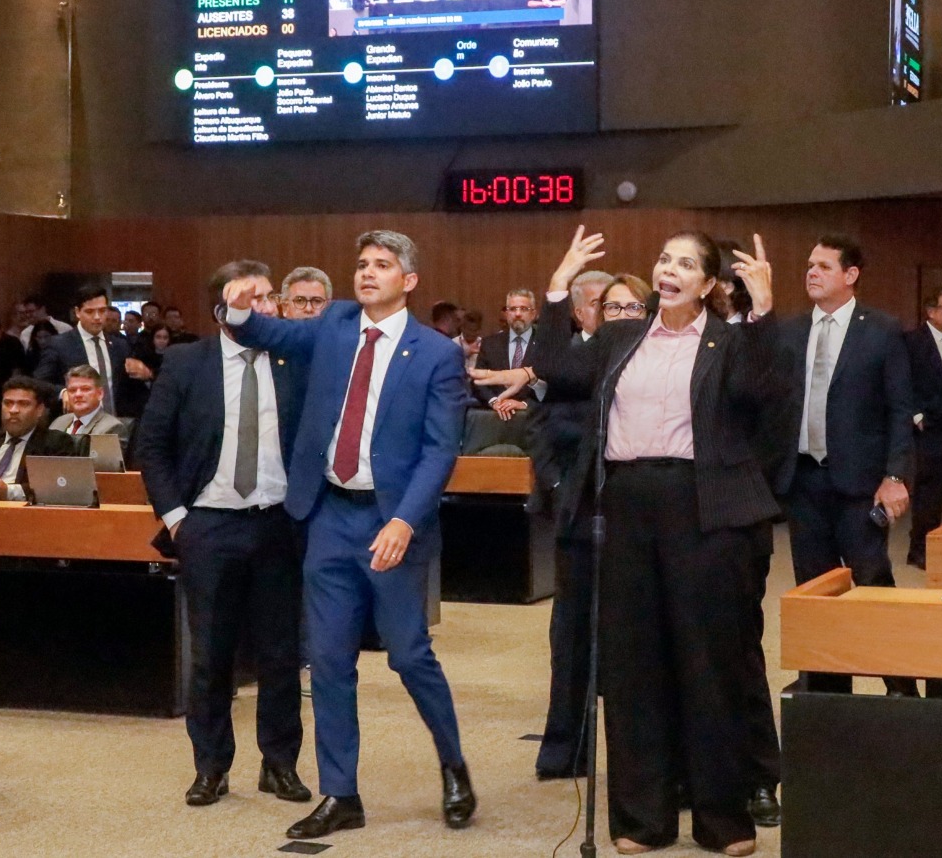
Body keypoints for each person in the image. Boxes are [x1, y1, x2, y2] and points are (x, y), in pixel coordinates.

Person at [474, 226, 786, 857]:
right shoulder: (622, 337)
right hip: (626, 502)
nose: (670, 271)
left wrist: (762, 311)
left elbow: (760, 394)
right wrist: (558, 289)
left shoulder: (729, 339)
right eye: (665, 260)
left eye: (686, 264)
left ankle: (722, 819)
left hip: (704, 506)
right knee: (634, 665)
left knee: (708, 663)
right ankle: (643, 818)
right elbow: (557, 370)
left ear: (708, 283)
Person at [222, 230, 474, 840]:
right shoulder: (334, 323)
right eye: (362, 264)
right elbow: (269, 333)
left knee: (408, 654)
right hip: (330, 515)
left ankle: (453, 765)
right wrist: (238, 310)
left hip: (392, 520)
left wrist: (404, 521)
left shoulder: (436, 352)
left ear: (408, 281)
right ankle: (342, 794)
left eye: (382, 265)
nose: (367, 273)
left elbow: (440, 450)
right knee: (330, 662)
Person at [136, 260, 312, 811]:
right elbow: (152, 445)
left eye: (269, 296)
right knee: (211, 653)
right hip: (209, 525)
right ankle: (211, 767)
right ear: (223, 309)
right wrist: (177, 519)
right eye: (252, 298)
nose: (267, 307)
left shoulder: (293, 360)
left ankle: (279, 763)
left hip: (278, 523)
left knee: (281, 652)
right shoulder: (186, 362)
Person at [773, 236, 914, 702]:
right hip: (804, 481)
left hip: (860, 484)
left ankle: (900, 687)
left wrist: (895, 476)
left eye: (824, 266)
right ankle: (827, 694)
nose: (812, 273)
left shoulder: (882, 330)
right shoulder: (791, 331)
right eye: (809, 265)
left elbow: (900, 409)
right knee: (815, 593)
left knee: (873, 584)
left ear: (851, 275)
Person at [527, 269, 610, 782]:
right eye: (600, 303)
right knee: (570, 635)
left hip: (627, 511)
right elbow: (539, 430)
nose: (609, 312)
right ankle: (564, 750)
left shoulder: (634, 355)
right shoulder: (562, 362)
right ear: (578, 312)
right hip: (574, 510)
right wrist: (559, 488)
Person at [904, 289, 942, 568]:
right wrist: (916, 415)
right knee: (928, 489)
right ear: (931, 312)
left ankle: (929, 545)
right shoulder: (916, 341)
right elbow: (903, 380)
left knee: (940, 489)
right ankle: (920, 549)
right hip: (930, 424)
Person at [35, 284, 136, 415]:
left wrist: (146, 374)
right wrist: (63, 392)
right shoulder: (59, 344)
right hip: (75, 420)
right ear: (78, 312)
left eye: (102, 311)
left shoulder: (120, 345)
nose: (97, 317)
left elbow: (129, 388)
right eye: (90, 312)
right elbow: (38, 382)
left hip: (114, 420)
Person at [474, 289, 545, 409]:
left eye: (524, 309)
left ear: (533, 314)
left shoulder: (546, 344)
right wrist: (494, 401)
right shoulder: (489, 344)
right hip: (496, 415)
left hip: (534, 414)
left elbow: (552, 385)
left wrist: (525, 404)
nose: (517, 314)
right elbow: (478, 381)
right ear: (506, 314)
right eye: (512, 309)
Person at [49, 365, 125, 437]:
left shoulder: (112, 427)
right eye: (73, 390)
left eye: (85, 389)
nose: (78, 394)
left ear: (100, 394)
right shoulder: (58, 422)